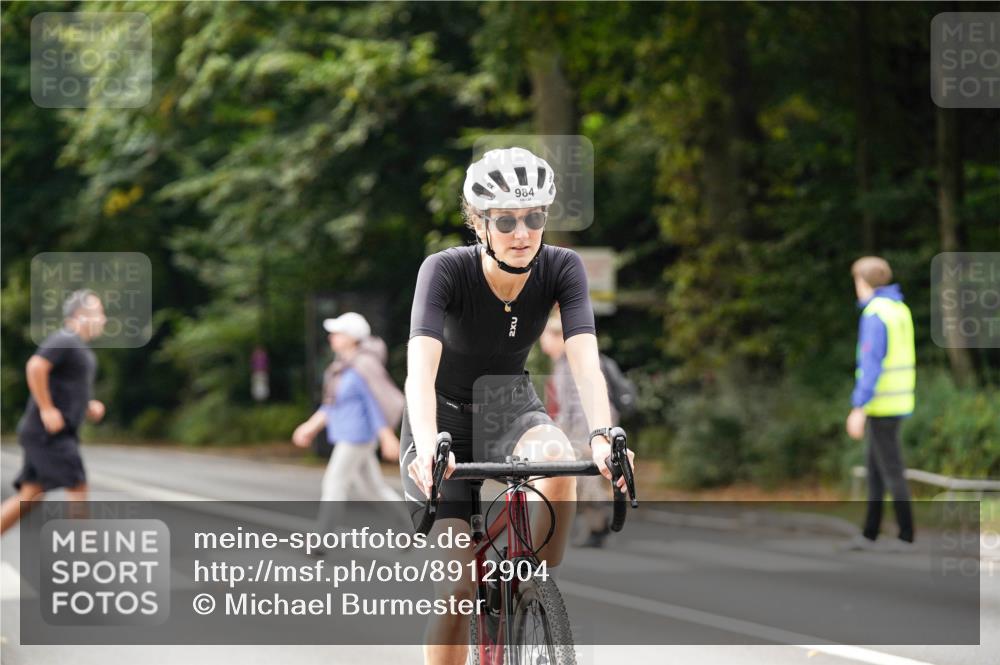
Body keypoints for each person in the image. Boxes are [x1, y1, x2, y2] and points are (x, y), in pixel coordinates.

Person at [400, 146, 636, 664]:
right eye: (505, 220)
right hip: (439, 421)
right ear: (478, 224)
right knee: (458, 593)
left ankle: (529, 589)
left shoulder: (561, 267)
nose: (522, 232)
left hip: (510, 408)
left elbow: (585, 363)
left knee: (559, 466)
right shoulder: (443, 271)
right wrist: (424, 445)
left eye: (533, 217)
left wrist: (601, 434)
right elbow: (420, 370)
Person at [292, 312, 407, 538]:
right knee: (373, 488)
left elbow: (375, 403)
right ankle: (411, 527)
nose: (331, 337)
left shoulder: (363, 366)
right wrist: (310, 426)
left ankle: (322, 539)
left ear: (352, 337)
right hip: (348, 434)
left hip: (357, 436)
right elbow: (331, 405)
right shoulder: (341, 367)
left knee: (334, 482)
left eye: (337, 333)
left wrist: (386, 436)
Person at [1, 289, 107, 534]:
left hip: (44, 433)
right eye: (99, 313)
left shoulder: (78, 347)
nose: (103, 319)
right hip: (48, 434)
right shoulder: (65, 339)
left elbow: (66, 387)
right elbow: (36, 366)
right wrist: (47, 409)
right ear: (80, 315)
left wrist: (87, 404)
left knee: (29, 495)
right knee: (78, 485)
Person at [845, 256, 916, 551]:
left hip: (881, 404)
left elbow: (872, 363)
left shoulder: (876, 314)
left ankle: (905, 535)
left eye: (856, 283)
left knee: (891, 471)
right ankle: (870, 532)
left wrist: (858, 407)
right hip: (897, 400)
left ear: (864, 282)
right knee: (875, 470)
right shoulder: (899, 309)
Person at [540, 308, 620, 548]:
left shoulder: (570, 365)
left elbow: (574, 406)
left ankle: (598, 525)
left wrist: (585, 438)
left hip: (584, 433)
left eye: (545, 336)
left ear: (558, 337)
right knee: (584, 482)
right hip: (584, 432)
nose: (542, 342)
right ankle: (596, 525)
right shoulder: (565, 364)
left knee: (586, 481)